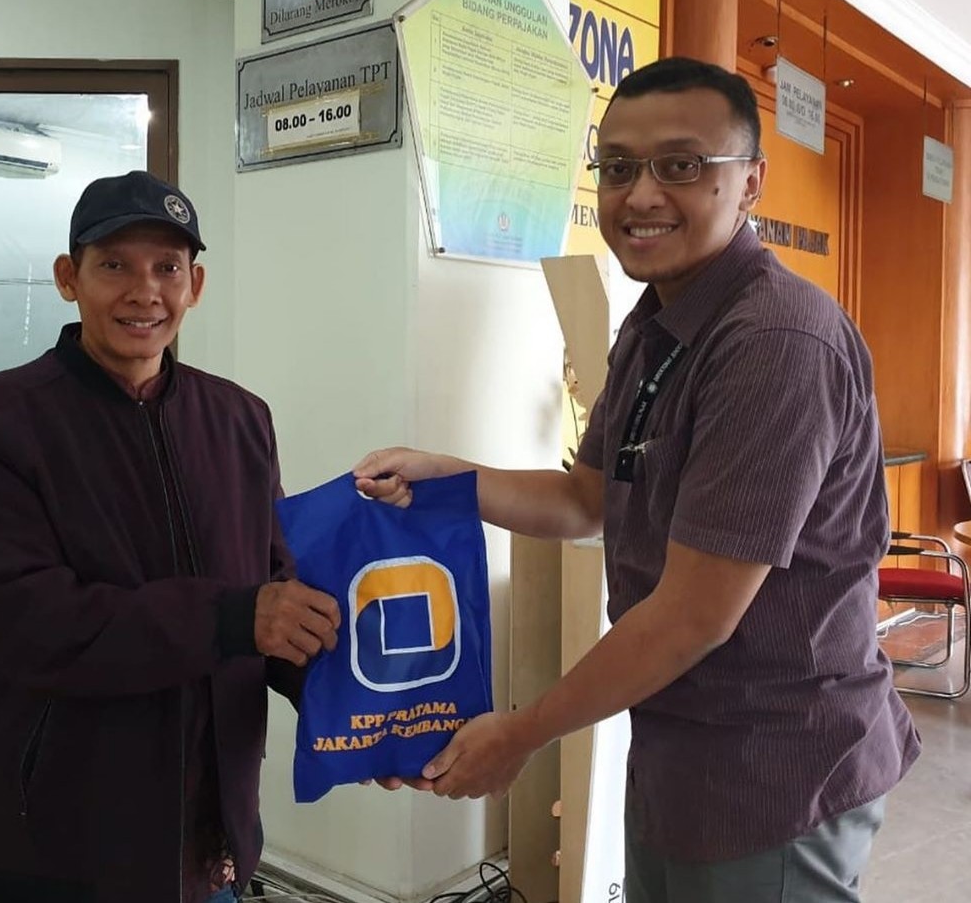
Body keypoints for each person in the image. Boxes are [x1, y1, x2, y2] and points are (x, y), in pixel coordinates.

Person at [355, 57, 920, 903]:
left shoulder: (774, 344)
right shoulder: (655, 323)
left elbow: (694, 613)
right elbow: (587, 499)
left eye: (681, 164)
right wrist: (447, 478)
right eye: (617, 167)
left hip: (774, 769)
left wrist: (522, 733)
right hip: (676, 747)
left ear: (751, 182)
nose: (641, 194)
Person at [0, 170, 341, 903]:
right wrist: (232, 617)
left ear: (196, 285)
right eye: (115, 265)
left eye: (167, 268)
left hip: (211, 846)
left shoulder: (240, 419)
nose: (144, 291)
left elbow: (276, 593)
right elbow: (24, 620)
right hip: (56, 855)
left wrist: (359, 710)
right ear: (69, 278)